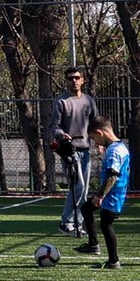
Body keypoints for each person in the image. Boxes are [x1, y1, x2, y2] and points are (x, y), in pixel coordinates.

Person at [51, 67, 97, 236]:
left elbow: (95, 123)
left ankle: (77, 223)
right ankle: (66, 222)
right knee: (78, 186)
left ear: (82, 80)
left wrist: (101, 142)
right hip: (69, 150)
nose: (74, 81)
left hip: (85, 150)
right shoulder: (61, 102)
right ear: (66, 81)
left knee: (83, 190)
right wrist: (61, 134)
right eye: (70, 78)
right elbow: (53, 125)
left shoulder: (89, 101)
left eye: (77, 77)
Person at [82, 114, 129, 269]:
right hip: (112, 193)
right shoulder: (119, 147)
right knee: (86, 208)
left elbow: (112, 176)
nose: (95, 143)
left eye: (94, 138)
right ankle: (93, 244)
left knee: (106, 225)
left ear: (100, 133)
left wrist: (100, 195)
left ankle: (113, 261)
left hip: (113, 195)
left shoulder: (114, 151)